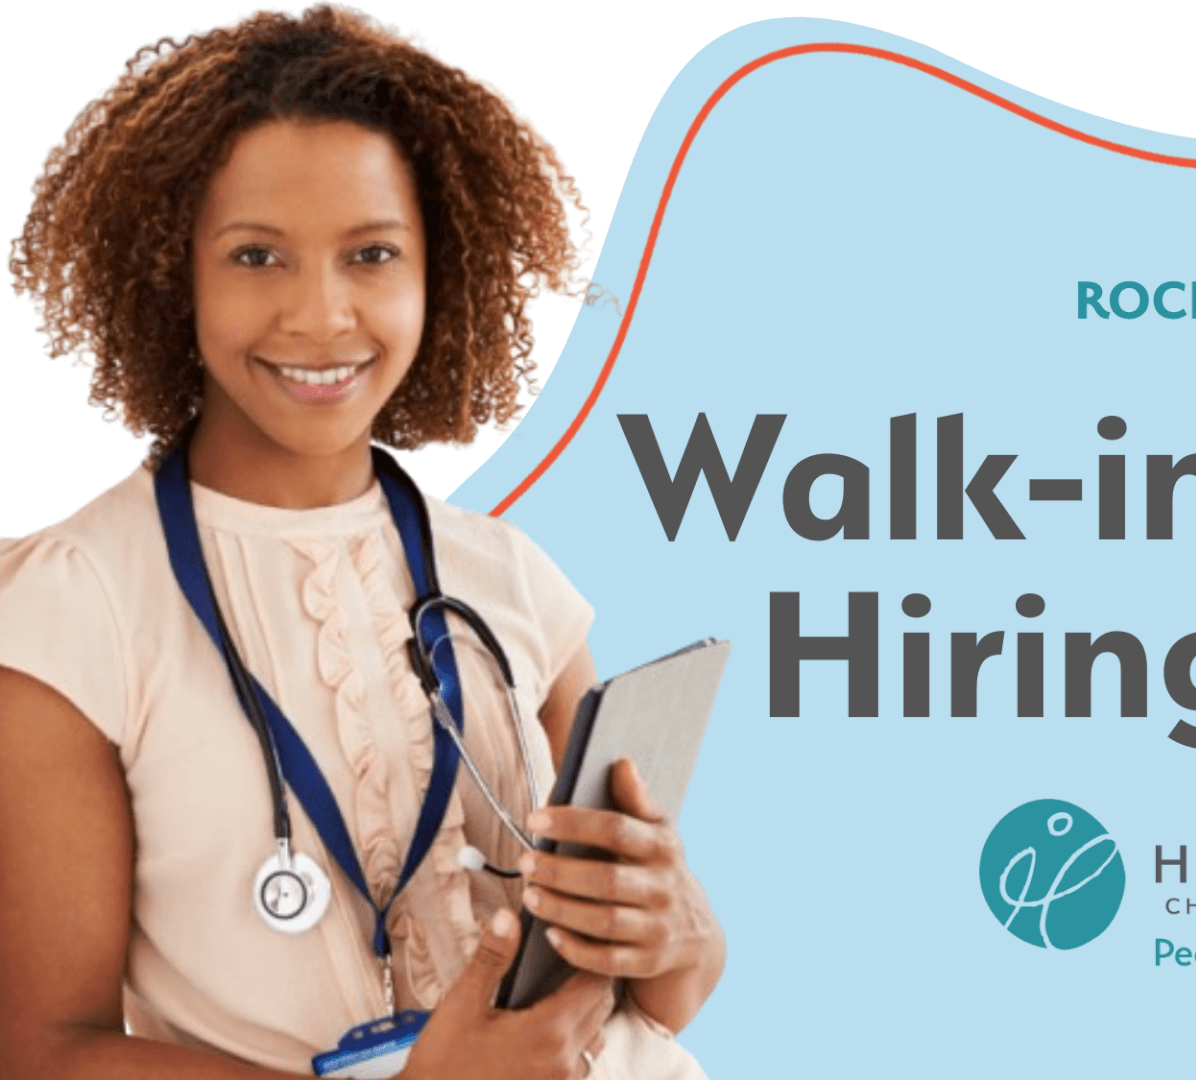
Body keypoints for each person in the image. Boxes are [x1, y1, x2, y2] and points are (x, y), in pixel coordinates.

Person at [0, 7, 723, 1078]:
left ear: (440, 272)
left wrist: (681, 935)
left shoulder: (507, 578)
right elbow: (40, 1050)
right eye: (257, 256)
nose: (322, 316)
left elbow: (664, 995)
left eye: (372, 254)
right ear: (172, 274)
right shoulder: (71, 611)